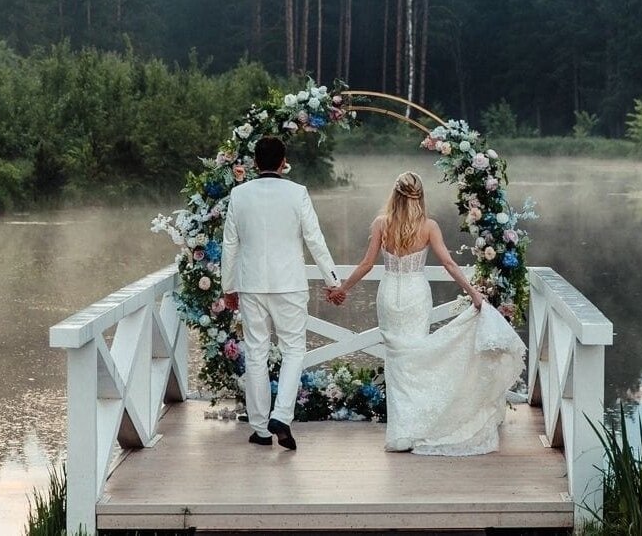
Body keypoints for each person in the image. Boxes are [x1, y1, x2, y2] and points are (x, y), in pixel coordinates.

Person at [332, 171, 526, 454]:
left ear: (394, 195)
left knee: (398, 362)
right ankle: (416, 428)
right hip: (415, 295)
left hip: (389, 295)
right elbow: (448, 263)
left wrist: (343, 288)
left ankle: (400, 434)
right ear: (420, 197)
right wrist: (474, 294)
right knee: (417, 357)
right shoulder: (428, 226)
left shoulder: (381, 224)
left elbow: (365, 264)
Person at [221, 135, 343, 451]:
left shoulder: (239, 194)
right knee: (293, 350)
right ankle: (282, 415)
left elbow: (230, 245)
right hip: (289, 283)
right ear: (283, 160)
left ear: (254, 162)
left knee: (257, 353)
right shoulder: (297, 193)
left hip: (250, 285)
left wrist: (228, 287)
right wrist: (332, 280)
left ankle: (261, 429)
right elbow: (314, 239)